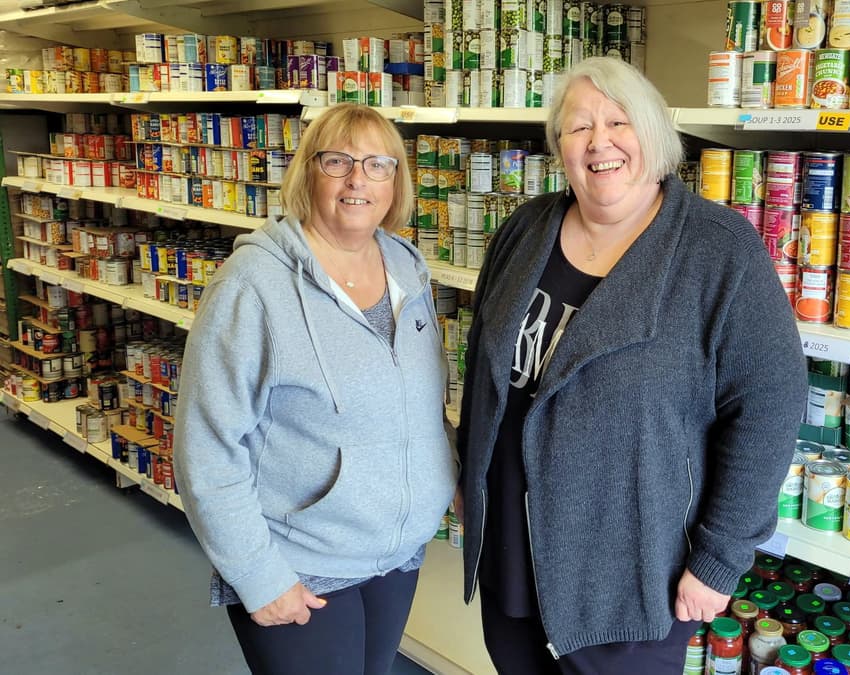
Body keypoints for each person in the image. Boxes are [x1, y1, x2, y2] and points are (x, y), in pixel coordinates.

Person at [455, 57, 807, 673]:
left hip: (631, 576)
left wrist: (719, 559)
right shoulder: (524, 229)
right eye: (578, 127)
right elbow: (485, 366)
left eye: (619, 122)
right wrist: (470, 475)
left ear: (654, 134)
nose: (599, 142)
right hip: (511, 551)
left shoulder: (718, 248)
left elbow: (769, 409)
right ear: (559, 146)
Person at [175, 103, 455, 675]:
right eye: (338, 162)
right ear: (308, 173)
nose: (358, 180)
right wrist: (258, 576)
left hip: (396, 552)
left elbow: (421, 403)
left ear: (397, 180)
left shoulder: (406, 266)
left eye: (378, 164)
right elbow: (206, 445)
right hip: (300, 561)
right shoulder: (252, 285)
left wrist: (446, 474)